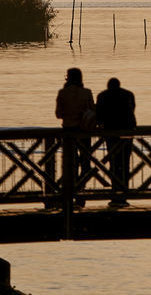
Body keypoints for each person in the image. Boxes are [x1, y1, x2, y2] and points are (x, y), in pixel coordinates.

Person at [55, 68, 94, 207]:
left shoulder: (62, 93)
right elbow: (92, 111)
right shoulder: (87, 92)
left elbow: (58, 114)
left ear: (68, 78)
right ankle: (80, 191)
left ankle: (70, 192)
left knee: (69, 163)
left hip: (68, 132)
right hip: (84, 132)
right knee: (85, 163)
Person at [96, 77, 137, 207]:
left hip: (110, 132)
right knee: (125, 163)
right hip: (127, 132)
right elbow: (133, 109)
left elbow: (99, 114)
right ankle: (123, 193)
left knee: (114, 162)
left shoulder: (102, 95)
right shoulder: (129, 94)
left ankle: (115, 193)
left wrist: (100, 126)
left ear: (108, 86)